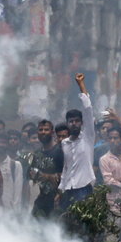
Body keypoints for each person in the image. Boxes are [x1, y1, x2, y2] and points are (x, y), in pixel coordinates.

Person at [58, 73, 96, 211]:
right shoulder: (64, 143)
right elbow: (66, 167)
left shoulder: (88, 137)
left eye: (77, 121)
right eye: (71, 121)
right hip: (68, 189)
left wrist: (81, 85)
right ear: (67, 124)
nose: (74, 124)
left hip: (84, 188)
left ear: (81, 123)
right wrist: (61, 188)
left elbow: (88, 110)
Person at [29, 120, 64, 218]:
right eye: (41, 130)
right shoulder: (37, 153)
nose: (43, 132)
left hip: (58, 201)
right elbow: (33, 175)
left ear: (52, 133)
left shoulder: (60, 151)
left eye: (46, 129)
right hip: (42, 200)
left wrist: (48, 176)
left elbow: (66, 175)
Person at [0, 133, 25, 211]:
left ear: (8, 145)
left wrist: (16, 211)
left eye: (3, 142)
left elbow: (18, 191)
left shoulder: (15, 165)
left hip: (8, 210)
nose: (0, 145)